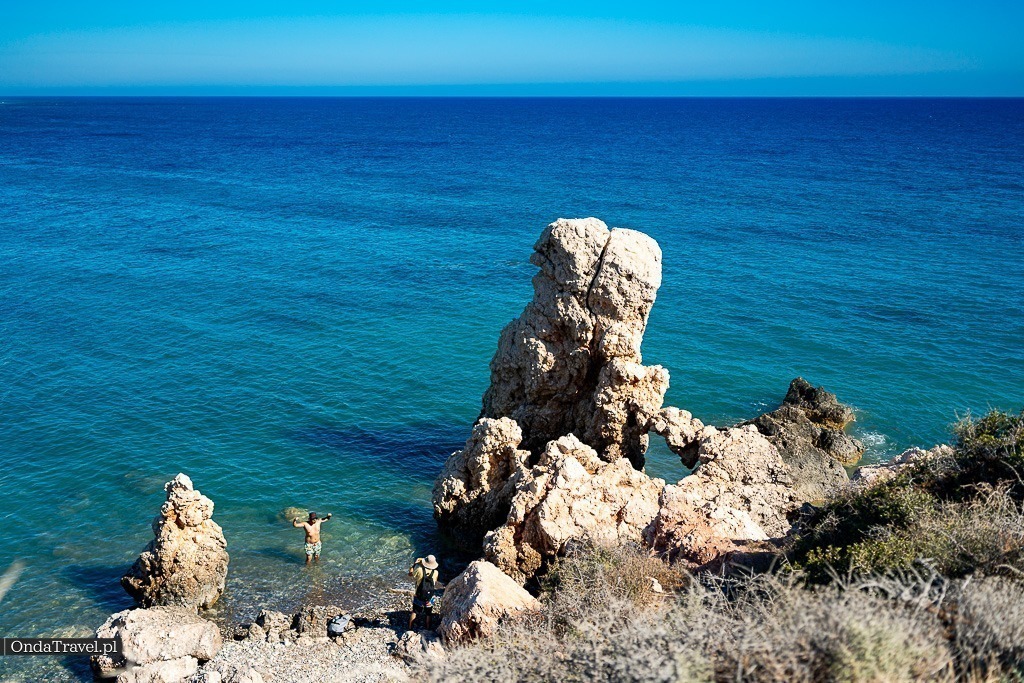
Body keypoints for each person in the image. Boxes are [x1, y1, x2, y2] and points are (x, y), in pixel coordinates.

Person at [408, 554, 440, 630]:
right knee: (428, 613)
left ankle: (410, 628)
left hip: (419, 595)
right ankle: (428, 628)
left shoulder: (418, 569)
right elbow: (434, 581)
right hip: (429, 596)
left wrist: (414, 565)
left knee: (415, 611)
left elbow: (410, 574)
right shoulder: (436, 572)